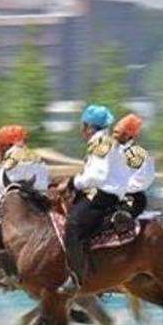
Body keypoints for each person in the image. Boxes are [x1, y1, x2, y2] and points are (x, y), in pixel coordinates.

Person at [58, 104, 131, 294]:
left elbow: (97, 176)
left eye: (83, 126)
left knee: (72, 224)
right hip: (104, 193)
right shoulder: (104, 142)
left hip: (102, 195)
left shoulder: (100, 144)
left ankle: (76, 278)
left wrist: (73, 182)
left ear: (90, 127)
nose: (82, 130)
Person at [112, 113, 155, 217]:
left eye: (118, 132)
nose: (113, 135)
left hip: (131, 199)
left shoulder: (136, 154)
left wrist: (119, 188)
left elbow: (143, 180)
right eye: (114, 132)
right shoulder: (113, 152)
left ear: (127, 135)